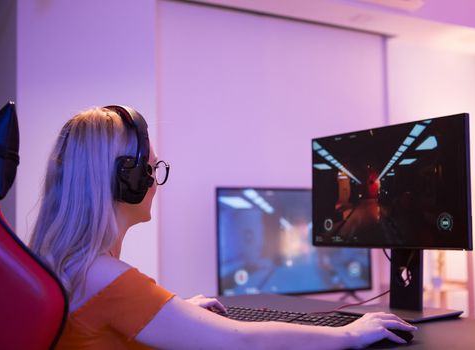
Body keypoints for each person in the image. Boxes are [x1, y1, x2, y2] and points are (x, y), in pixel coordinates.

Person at [29, 106, 416, 350]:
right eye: (150, 168)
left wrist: (177, 313)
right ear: (125, 180)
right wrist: (350, 333)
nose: (155, 183)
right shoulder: (104, 276)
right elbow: (241, 340)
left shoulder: (68, 261)